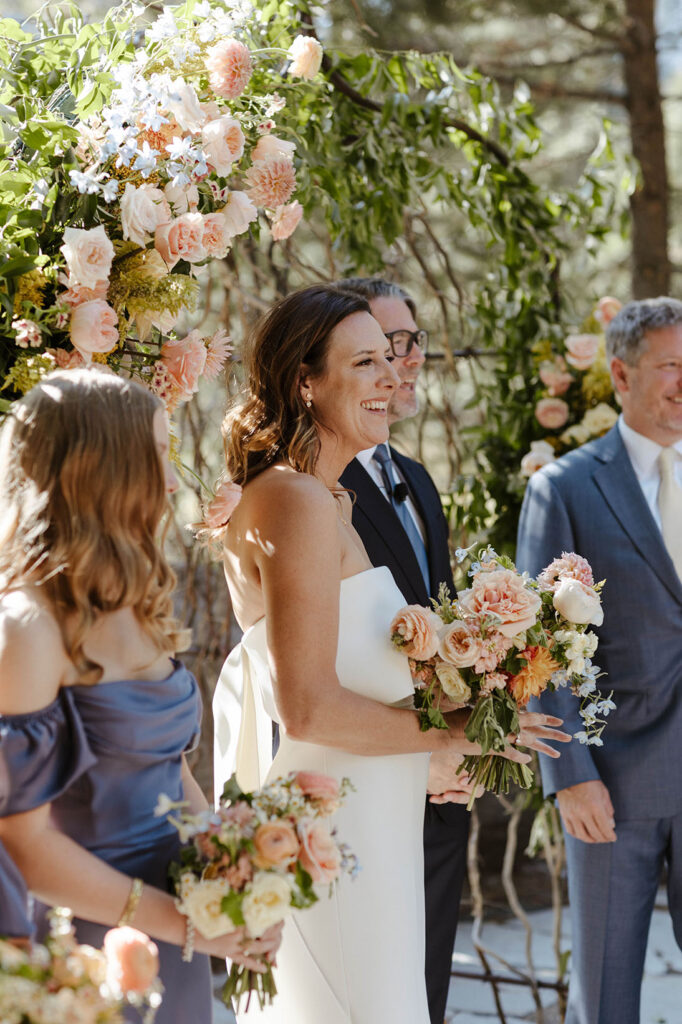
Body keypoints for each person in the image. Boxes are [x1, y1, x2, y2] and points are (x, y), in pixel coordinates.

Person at [213, 283, 568, 1023]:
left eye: (392, 357)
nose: (390, 378)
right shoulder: (296, 501)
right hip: (335, 828)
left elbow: (355, 671)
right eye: (366, 362)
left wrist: (466, 718)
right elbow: (306, 706)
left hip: (375, 819)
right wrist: (452, 734)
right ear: (306, 382)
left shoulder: (325, 499)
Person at [0, 368, 276, 1023]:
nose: (176, 480)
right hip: (85, 946)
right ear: (104, 468)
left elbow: (169, 767)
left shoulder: (141, 601)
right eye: (159, 455)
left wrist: (233, 881)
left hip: (173, 930)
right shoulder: (27, 629)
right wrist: (183, 924)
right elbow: (21, 846)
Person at [516, 297, 682, 1024]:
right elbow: (539, 652)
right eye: (672, 366)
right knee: (608, 993)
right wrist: (571, 777)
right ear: (620, 373)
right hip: (615, 786)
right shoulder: (565, 489)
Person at [336, 276, 470, 1024]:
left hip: (439, 802)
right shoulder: (310, 490)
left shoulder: (416, 479)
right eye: (385, 349)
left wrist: (463, 752)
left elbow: (437, 630)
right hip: (365, 786)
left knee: (426, 1001)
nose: (405, 363)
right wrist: (424, 753)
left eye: (412, 343)